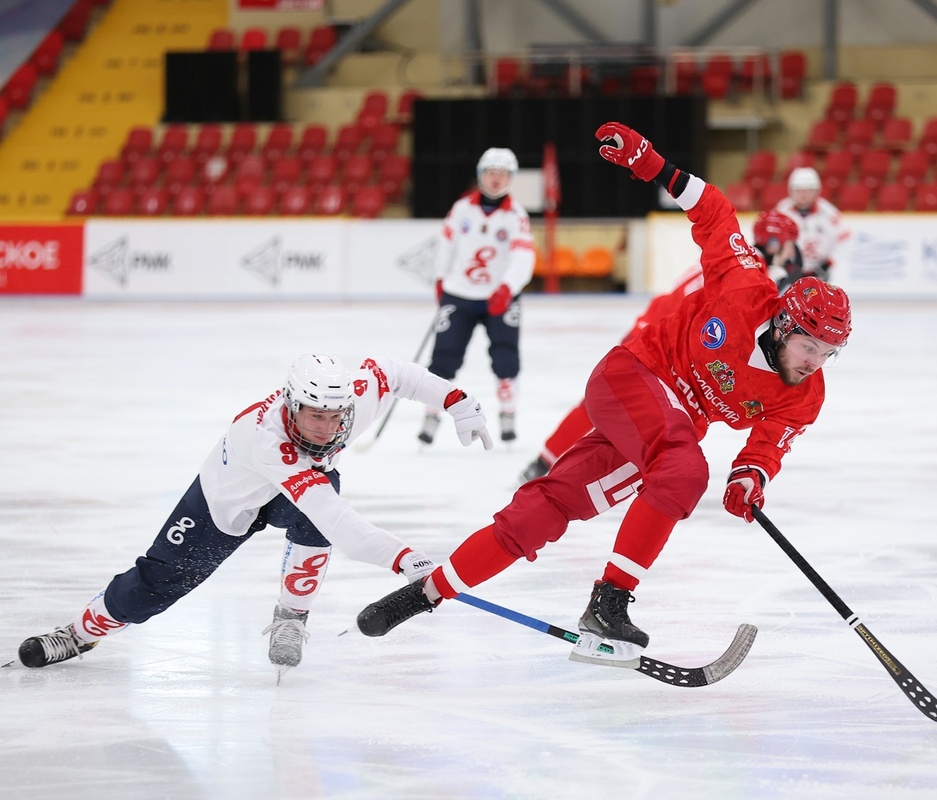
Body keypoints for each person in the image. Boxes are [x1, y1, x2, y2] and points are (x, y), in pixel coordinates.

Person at [356, 122, 852, 668]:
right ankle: (610, 601)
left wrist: (751, 476)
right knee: (684, 470)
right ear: (782, 325)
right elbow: (715, 212)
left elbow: (768, 445)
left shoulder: (805, 393)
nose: (815, 363)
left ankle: (425, 593)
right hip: (633, 375)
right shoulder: (744, 287)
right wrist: (655, 165)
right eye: (810, 347)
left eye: (829, 353)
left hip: (664, 424)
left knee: (548, 508)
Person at [18, 354, 492, 671]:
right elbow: (342, 526)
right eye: (315, 417)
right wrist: (407, 558)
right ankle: (79, 633)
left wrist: (458, 402)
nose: (328, 429)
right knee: (156, 585)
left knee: (318, 500)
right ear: (291, 405)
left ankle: (291, 616)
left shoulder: (347, 401)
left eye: (336, 418)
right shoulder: (269, 441)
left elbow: (398, 374)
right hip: (226, 502)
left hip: (292, 494)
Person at [518, 210, 801, 483]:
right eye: (789, 244)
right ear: (776, 243)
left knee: (607, 405)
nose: (791, 252)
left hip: (650, 326)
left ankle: (545, 459)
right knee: (658, 417)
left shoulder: (734, 257)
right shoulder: (757, 277)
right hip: (665, 342)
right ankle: (615, 477)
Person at [418, 147, 536, 446]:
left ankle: (508, 414)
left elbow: (523, 256)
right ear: (481, 175)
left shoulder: (516, 216)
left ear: (511, 178)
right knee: (444, 356)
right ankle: (431, 416)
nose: (496, 180)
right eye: (490, 173)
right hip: (460, 293)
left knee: (506, 356)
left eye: (503, 174)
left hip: (500, 297)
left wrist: (508, 286)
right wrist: (441, 279)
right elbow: (446, 246)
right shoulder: (461, 209)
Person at [773, 166, 849, 284]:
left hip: (820, 272)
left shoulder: (829, 213)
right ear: (791, 191)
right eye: (798, 190)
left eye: (808, 190)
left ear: (816, 191)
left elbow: (843, 239)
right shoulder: (781, 211)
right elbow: (771, 240)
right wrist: (781, 261)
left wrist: (828, 263)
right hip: (789, 271)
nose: (803, 195)